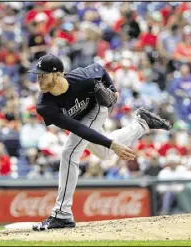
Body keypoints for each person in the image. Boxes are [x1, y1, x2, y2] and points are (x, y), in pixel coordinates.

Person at [29, 54, 172, 230]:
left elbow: (100, 68)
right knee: (103, 153)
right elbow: (79, 129)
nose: (39, 79)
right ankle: (143, 124)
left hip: (96, 108)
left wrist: (113, 88)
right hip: (80, 122)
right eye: (38, 75)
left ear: (58, 74)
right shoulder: (45, 105)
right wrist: (111, 144)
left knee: (69, 151)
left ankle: (62, 214)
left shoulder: (82, 77)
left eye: (43, 75)